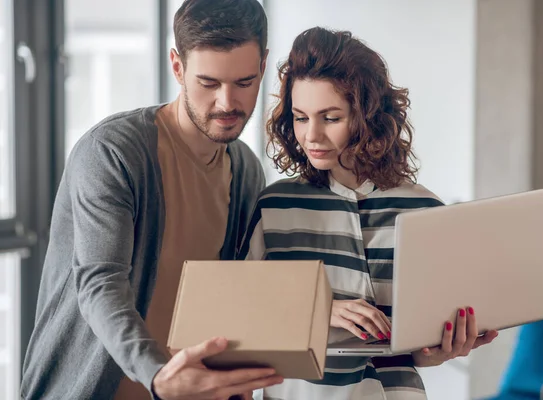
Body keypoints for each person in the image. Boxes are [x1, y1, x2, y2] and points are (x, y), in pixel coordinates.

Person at [20, 1, 284, 399]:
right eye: (209, 83)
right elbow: (100, 283)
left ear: (263, 67)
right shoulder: (112, 153)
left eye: (244, 83)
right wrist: (159, 376)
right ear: (177, 67)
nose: (227, 103)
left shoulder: (246, 171)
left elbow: (232, 294)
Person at [238, 27, 499, 400]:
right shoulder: (275, 206)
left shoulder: (426, 210)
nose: (310, 135)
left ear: (368, 117)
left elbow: (412, 352)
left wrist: (440, 351)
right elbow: (240, 313)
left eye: (330, 118)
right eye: (300, 117)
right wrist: (318, 308)